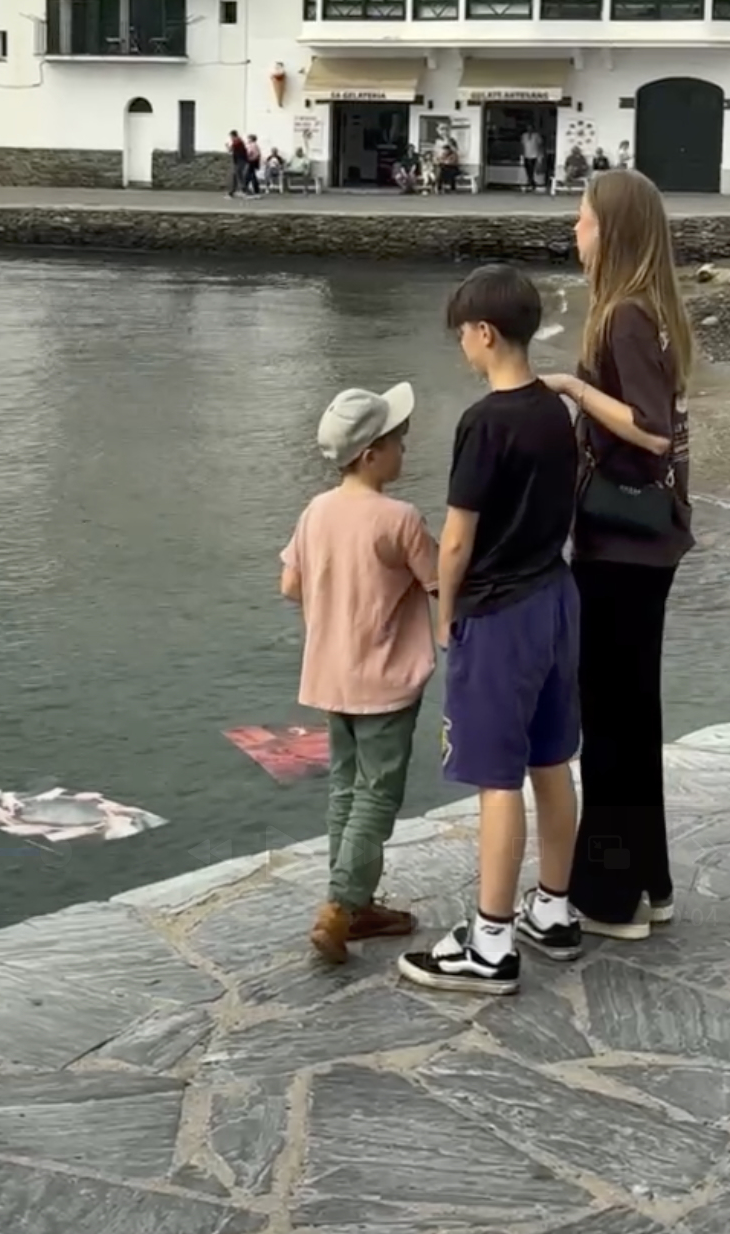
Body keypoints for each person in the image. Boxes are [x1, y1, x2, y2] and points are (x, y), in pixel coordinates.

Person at [398, 265, 581, 998]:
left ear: (484, 332)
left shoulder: (485, 422)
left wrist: (445, 617)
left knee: (497, 778)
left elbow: (455, 540)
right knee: (552, 759)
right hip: (557, 599)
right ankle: (555, 908)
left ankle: (492, 941)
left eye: (463, 337)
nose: (462, 350)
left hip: (500, 613)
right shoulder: (551, 413)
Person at [540, 170, 693, 939]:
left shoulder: (624, 315)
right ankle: (651, 882)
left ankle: (609, 897)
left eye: (583, 219)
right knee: (634, 714)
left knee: (610, 721)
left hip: (622, 545)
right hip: (649, 542)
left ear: (614, 231)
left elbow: (651, 427)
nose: (575, 230)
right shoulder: (650, 309)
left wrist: (569, 384)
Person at [280, 384, 439, 964]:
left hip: (330, 678)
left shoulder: (314, 510)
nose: (405, 447)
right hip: (386, 682)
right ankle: (341, 908)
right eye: (398, 440)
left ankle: (355, 902)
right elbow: (440, 580)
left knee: (344, 790)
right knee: (377, 796)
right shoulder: (400, 518)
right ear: (371, 453)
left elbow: (289, 585)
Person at [520, 125, 544, 193]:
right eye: (528, 128)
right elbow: (522, 145)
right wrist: (522, 154)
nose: (529, 129)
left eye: (530, 128)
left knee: (532, 169)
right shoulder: (524, 135)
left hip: (534, 154)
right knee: (527, 169)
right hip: (526, 154)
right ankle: (531, 181)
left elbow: (540, 145)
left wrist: (540, 155)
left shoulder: (536, 135)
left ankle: (530, 182)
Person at [226, 129, 249, 198]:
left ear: (233, 136)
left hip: (240, 160)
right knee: (237, 175)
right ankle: (235, 191)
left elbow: (231, 149)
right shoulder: (238, 141)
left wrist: (228, 146)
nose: (231, 138)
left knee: (237, 175)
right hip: (239, 160)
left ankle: (242, 190)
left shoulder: (237, 141)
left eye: (231, 136)